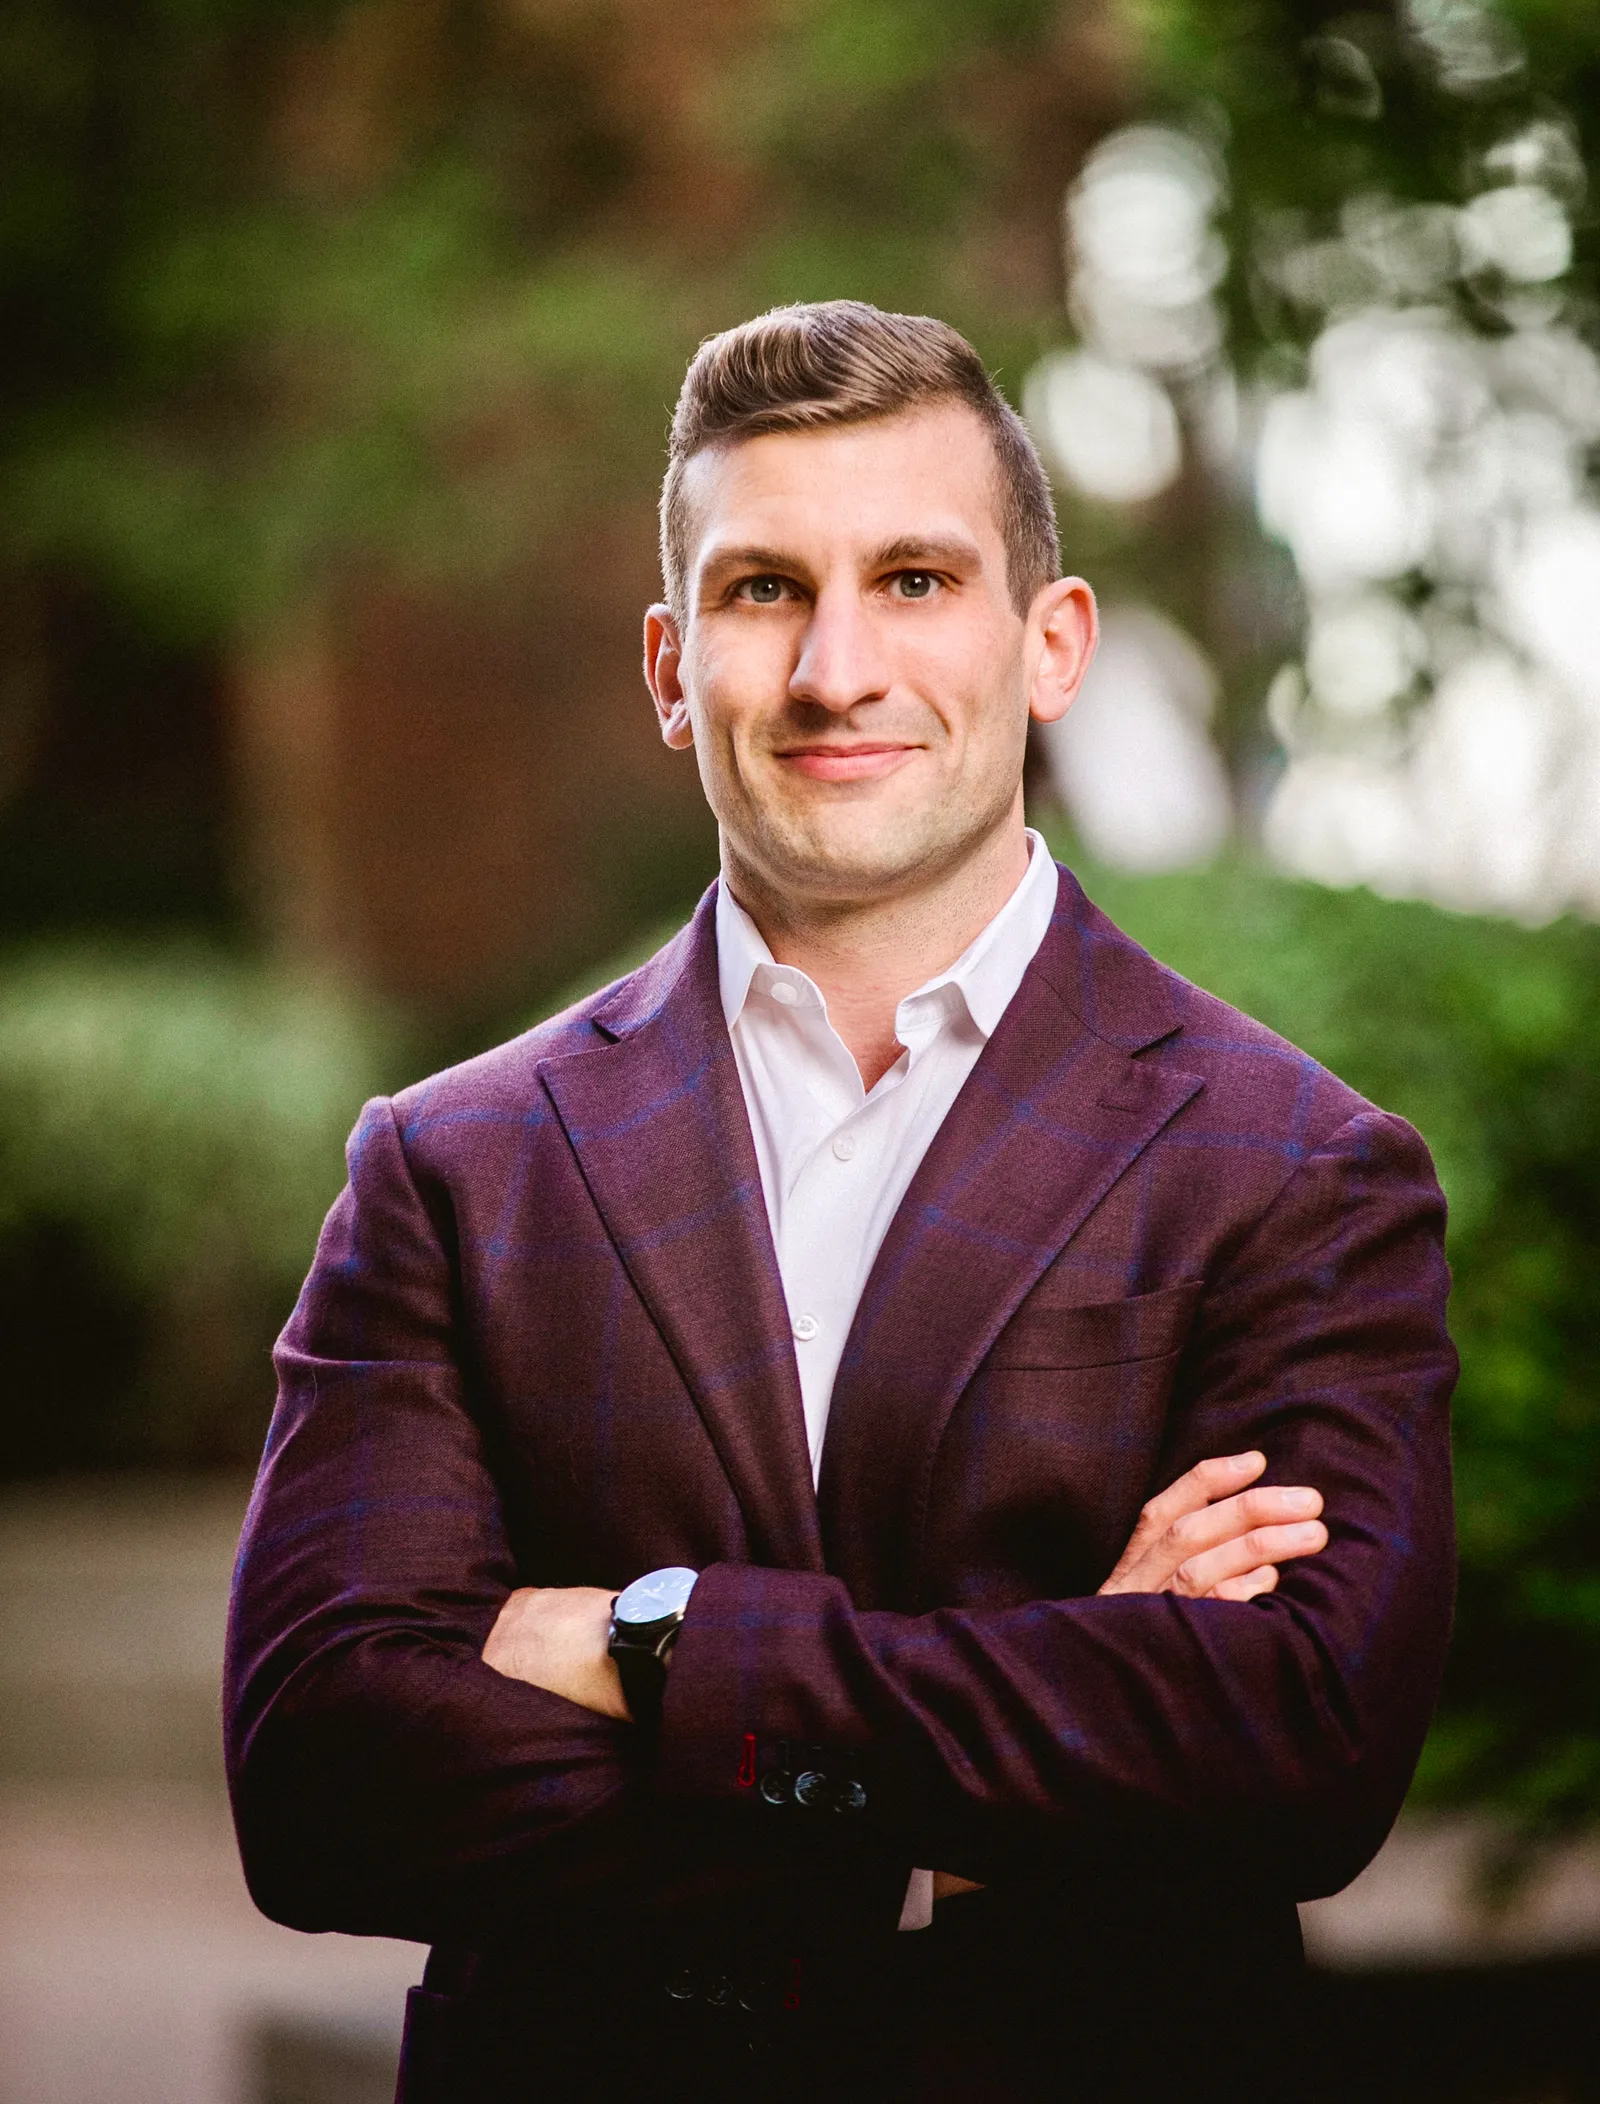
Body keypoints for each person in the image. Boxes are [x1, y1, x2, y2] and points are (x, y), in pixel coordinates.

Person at [225, 301, 1456, 2103]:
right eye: (761, 591)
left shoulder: (1294, 1172)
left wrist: (652, 1646)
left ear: (1052, 645)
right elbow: (322, 1775)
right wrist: (980, 1805)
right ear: (669, 667)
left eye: (913, 580)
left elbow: (1292, 1751)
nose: (833, 669)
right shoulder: (452, 1164)